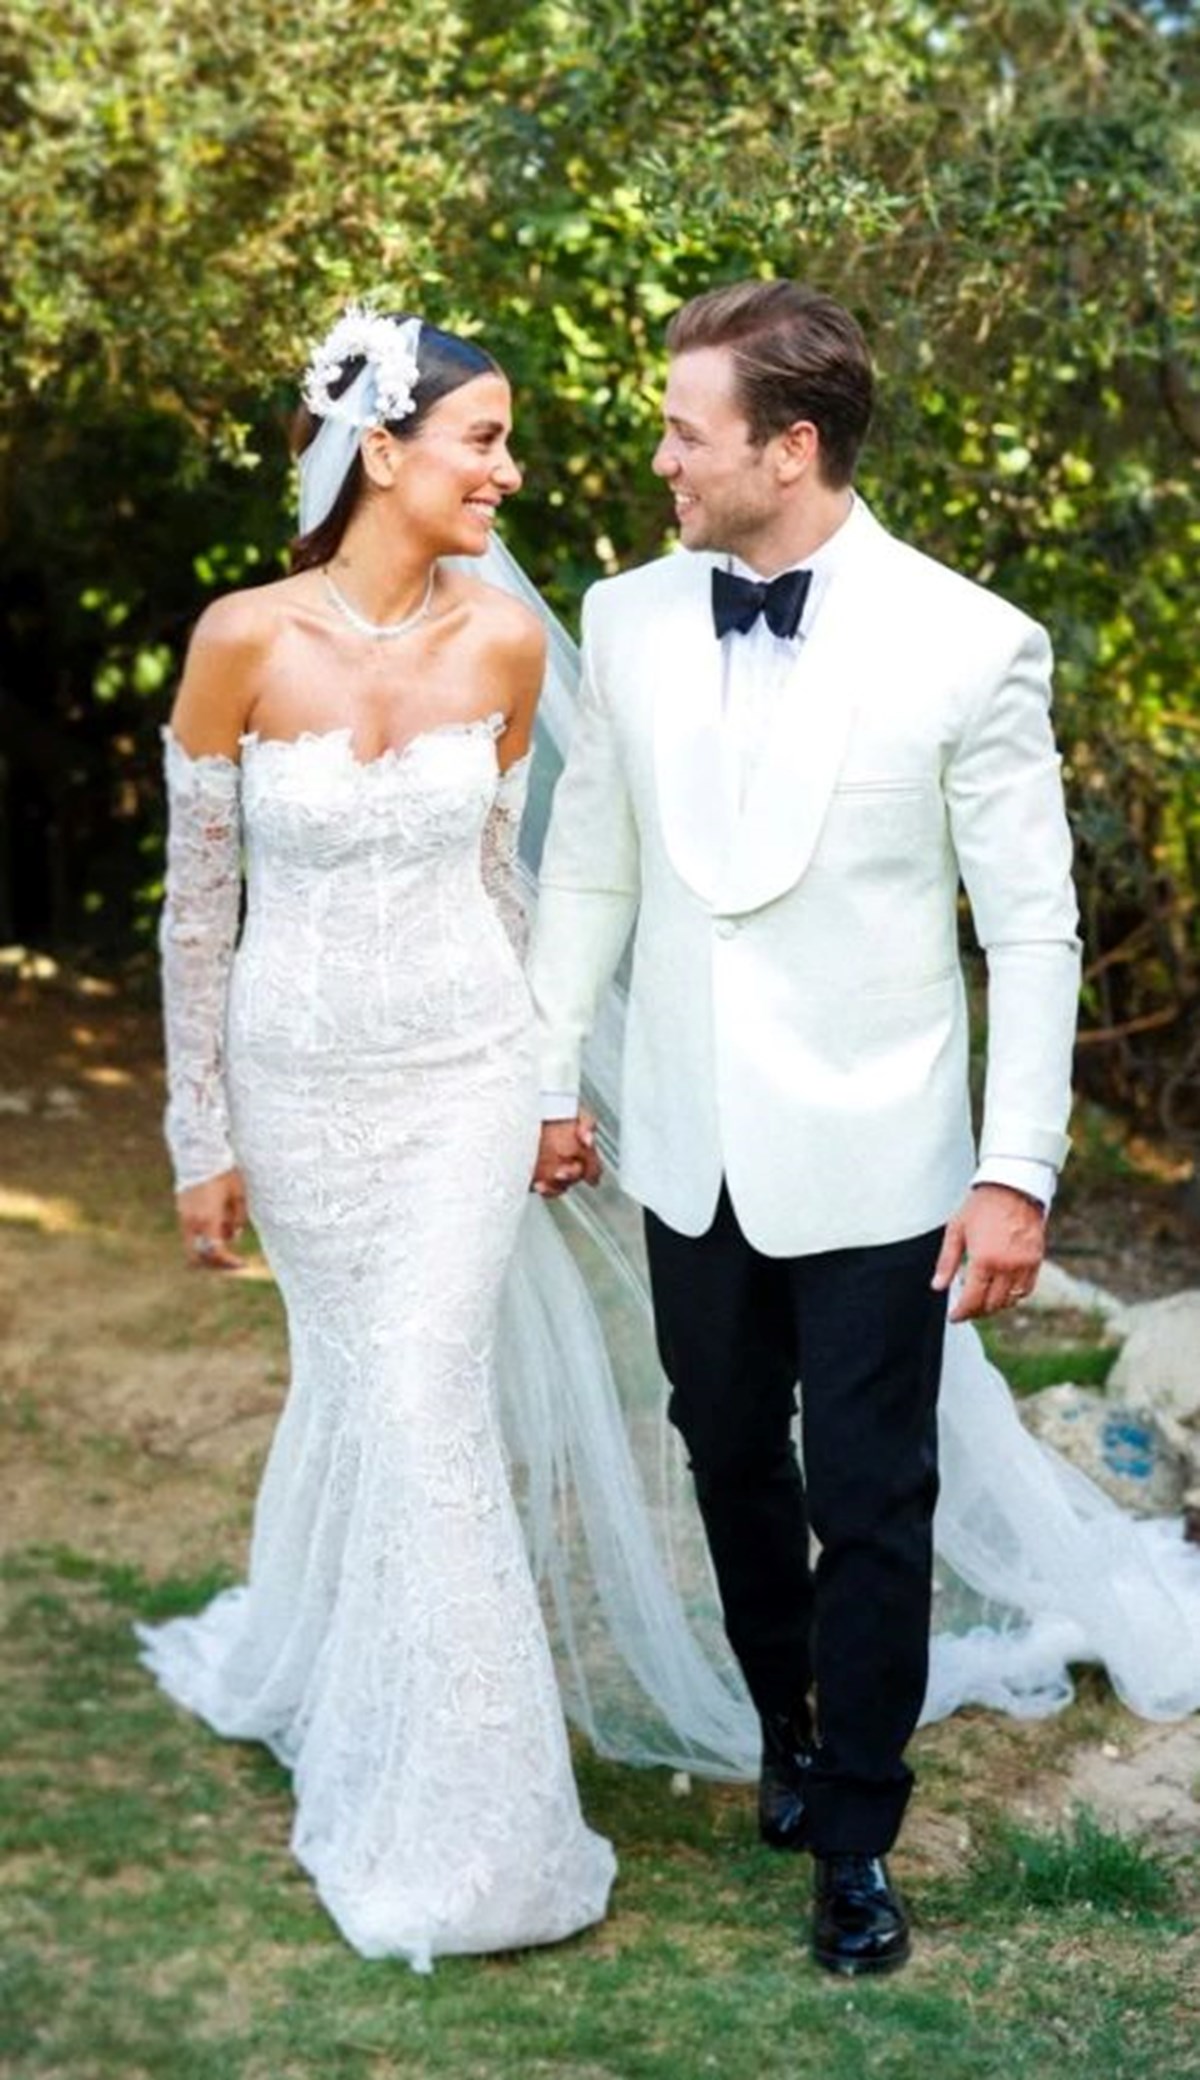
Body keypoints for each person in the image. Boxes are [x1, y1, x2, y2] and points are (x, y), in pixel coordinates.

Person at [526, 279, 1083, 1976]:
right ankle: (787, 1723)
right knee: (723, 1456)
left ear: (790, 446)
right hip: (686, 1147)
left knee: (873, 1496)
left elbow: (1034, 926)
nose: (661, 459)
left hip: (884, 1158)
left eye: (684, 432)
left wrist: (1014, 1170)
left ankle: (857, 1836)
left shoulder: (970, 641)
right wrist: (548, 1073)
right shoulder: (628, 617)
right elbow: (592, 870)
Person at [137, 306, 615, 1969]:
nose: (510, 472)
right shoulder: (241, 641)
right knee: (363, 1390)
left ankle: (474, 1828)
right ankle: (346, 1679)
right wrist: (200, 1134)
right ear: (383, 448)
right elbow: (199, 917)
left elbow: (505, 887)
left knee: (421, 1395)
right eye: (484, 440)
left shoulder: (508, 645)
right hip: (302, 1088)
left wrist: (547, 1088)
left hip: (464, 1072)